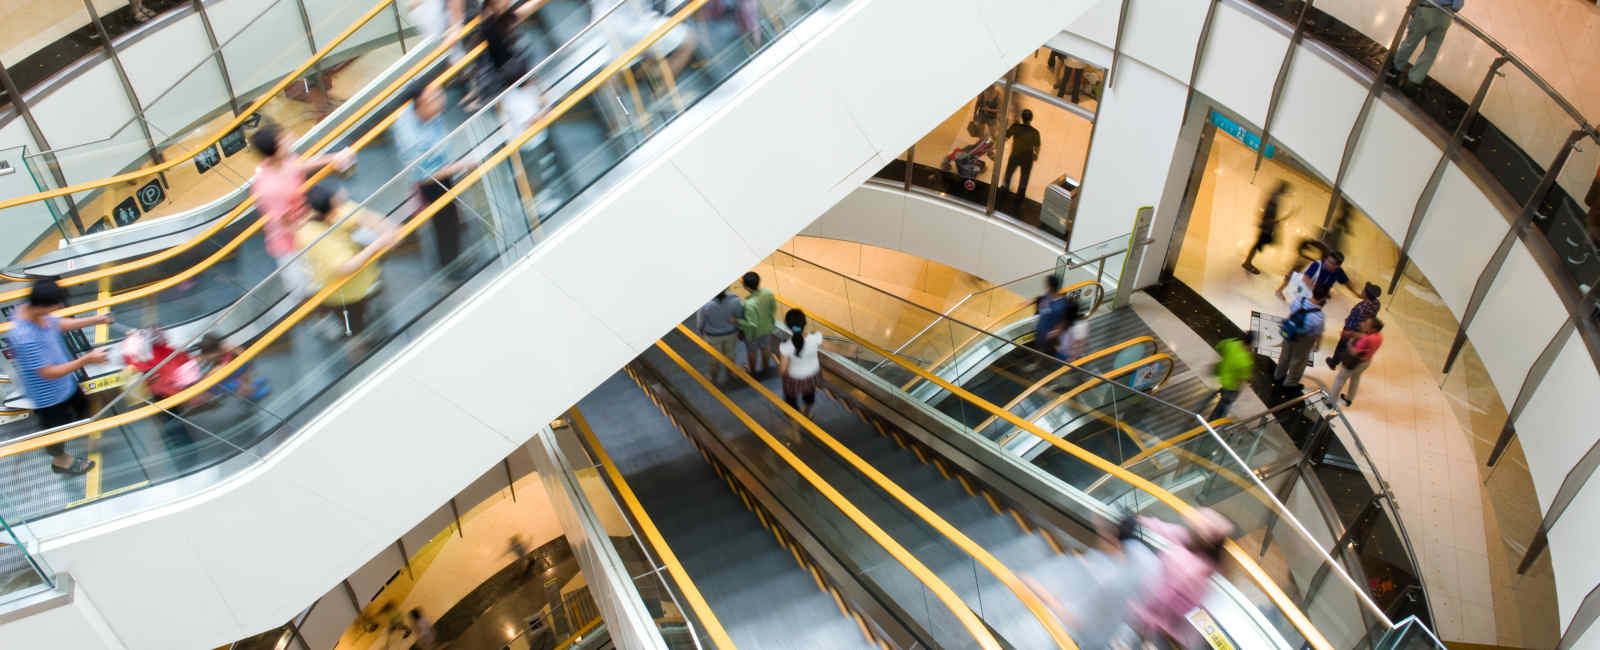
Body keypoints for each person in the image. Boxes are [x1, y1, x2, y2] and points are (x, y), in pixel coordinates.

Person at [5, 279, 112, 475]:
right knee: (55, 430)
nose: (60, 307)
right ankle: (60, 461)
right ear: (42, 306)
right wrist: (86, 360)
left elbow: (58, 324)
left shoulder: (32, 311)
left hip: (66, 383)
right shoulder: (24, 336)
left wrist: (95, 320)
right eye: (56, 304)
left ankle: (85, 437)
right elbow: (47, 373)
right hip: (49, 396)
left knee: (83, 408)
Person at [250, 124, 354, 293]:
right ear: (276, 148)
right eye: (283, 138)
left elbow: (299, 166)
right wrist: (322, 217)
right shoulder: (269, 188)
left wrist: (334, 158)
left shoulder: (281, 161)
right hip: (292, 244)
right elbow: (285, 225)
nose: (290, 137)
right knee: (304, 287)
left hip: (307, 224)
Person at [392, 84, 478, 275]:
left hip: (440, 168)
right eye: (434, 99)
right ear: (420, 105)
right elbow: (425, 177)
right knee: (445, 223)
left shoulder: (423, 114)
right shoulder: (413, 139)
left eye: (439, 94)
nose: (441, 100)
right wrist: (461, 165)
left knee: (450, 218)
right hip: (432, 183)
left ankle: (452, 259)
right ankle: (451, 268)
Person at [296, 185, 400, 339]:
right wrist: (378, 244)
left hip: (366, 279)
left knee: (376, 314)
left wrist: (385, 230)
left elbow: (380, 224)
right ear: (328, 212)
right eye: (337, 204)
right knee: (357, 330)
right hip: (344, 294)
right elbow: (346, 267)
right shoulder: (311, 235)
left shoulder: (332, 209)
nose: (342, 206)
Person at [1132, 510, 1232, 648]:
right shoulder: (1188, 539)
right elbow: (1165, 529)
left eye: (1202, 524)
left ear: (1208, 539)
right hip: (1156, 623)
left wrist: (1142, 620)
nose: (1196, 522)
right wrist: (1139, 520)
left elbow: (1163, 604)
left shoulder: (1193, 573)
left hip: (1161, 631)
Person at [1389, 0, 1464, 86]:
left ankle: (1395, 70)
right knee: (1430, 52)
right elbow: (1457, 6)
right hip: (1445, 16)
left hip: (1428, 8)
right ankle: (1413, 81)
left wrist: (1413, 7)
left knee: (1410, 42)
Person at [1274, 285, 1328, 390]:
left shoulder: (1299, 300)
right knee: (1298, 361)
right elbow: (1318, 333)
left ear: (1313, 291)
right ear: (1323, 298)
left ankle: (1278, 375)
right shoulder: (1319, 316)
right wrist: (1317, 345)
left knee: (1285, 354)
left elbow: (1291, 313)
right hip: (1304, 339)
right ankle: (1290, 382)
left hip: (1290, 331)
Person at [778, 309, 823, 419]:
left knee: (791, 402)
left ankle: (795, 432)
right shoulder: (816, 338)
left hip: (794, 379)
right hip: (812, 377)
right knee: (809, 395)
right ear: (805, 323)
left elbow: (782, 370)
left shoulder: (785, 346)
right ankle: (807, 414)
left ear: (788, 326)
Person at [198, 333, 270, 399]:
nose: (223, 345)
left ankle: (250, 388)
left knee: (242, 371)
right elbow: (213, 371)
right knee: (236, 381)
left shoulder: (226, 348)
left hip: (233, 368)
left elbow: (243, 355)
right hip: (224, 376)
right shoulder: (211, 355)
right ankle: (250, 392)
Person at [1331, 318, 1384, 407]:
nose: (1362, 323)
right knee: (1355, 378)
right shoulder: (1378, 336)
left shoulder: (1367, 339)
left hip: (1354, 362)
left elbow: (1354, 352)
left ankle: (1331, 401)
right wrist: (1355, 334)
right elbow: (1364, 336)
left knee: (1340, 379)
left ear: (1373, 329)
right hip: (1366, 362)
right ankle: (1349, 399)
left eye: (1366, 324)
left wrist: (1349, 343)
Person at [1327, 283, 1381, 369]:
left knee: (1342, 345)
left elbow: (1359, 322)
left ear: (1367, 295)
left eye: (1363, 291)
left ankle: (1334, 362)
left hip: (1352, 330)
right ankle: (1342, 361)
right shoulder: (1377, 304)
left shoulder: (1362, 307)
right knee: (1350, 346)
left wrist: (1348, 329)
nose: (1362, 292)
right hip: (1363, 331)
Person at [1242, 181, 1291, 275]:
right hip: (1267, 227)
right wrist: (1276, 222)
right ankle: (1247, 262)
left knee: (1258, 244)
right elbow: (1268, 215)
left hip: (1267, 226)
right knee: (1258, 244)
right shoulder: (1274, 199)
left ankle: (1248, 261)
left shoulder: (1274, 197)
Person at [697, 290, 743, 384]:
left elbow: (700, 322)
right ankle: (730, 376)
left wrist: (700, 332)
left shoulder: (705, 304)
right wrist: (740, 330)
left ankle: (713, 378)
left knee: (713, 359)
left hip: (712, 336)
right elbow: (740, 317)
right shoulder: (735, 300)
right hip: (731, 333)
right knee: (730, 356)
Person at [737, 272, 778, 376]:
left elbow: (751, 324)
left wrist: (737, 321)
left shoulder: (748, 303)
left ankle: (752, 371)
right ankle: (766, 367)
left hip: (753, 334)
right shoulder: (767, 292)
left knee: (752, 351)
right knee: (765, 348)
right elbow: (774, 308)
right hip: (767, 328)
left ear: (746, 287)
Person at [1276, 250, 1357, 303]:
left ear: (1337, 265)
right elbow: (1305, 278)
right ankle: (1279, 290)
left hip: (1321, 292)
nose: (1327, 263)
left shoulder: (1339, 271)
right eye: (1327, 260)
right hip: (1311, 287)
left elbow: (1346, 282)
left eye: (1331, 263)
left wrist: (1356, 293)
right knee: (1292, 275)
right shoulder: (1317, 264)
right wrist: (1314, 290)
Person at [1210, 332, 1256, 420]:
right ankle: (1213, 422)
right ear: (1251, 344)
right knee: (1223, 406)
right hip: (1231, 387)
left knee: (1222, 393)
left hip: (1223, 377)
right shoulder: (1246, 361)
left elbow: (1219, 347)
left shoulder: (1232, 343)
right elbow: (1243, 379)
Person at [1002, 109, 1041, 198]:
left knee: (1009, 173)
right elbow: (1037, 146)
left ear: (1022, 118)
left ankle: (1005, 188)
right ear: (1031, 119)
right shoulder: (1035, 132)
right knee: (1024, 177)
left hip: (1015, 155)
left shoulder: (1016, 127)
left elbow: (1005, 136)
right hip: (1027, 158)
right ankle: (1020, 194)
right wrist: (1036, 154)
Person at [1030, 274, 1068, 357]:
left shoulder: (1061, 304)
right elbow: (1041, 299)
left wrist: (1056, 332)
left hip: (1049, 335)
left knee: (1047, 352)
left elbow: (1064, 320)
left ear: (1050, 286)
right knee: (1038, 348)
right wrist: (1032, 300)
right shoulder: (1048, 295)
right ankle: (1038, 361)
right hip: (1041, 330)